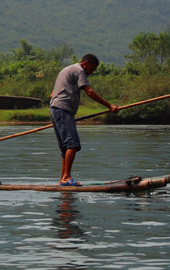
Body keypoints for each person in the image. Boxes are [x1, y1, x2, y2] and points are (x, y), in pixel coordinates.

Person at [49, 54, 118, 186]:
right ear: (86, 63)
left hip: (56, 109)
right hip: (63, 110)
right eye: (91, 69)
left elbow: (53, 94)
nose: (90, 73)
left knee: (66, 148)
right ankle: (66, 178)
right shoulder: (79, 70)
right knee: (72, 144)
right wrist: (109, 106)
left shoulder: (65, 70)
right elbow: (89, 92)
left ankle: (63, 179)